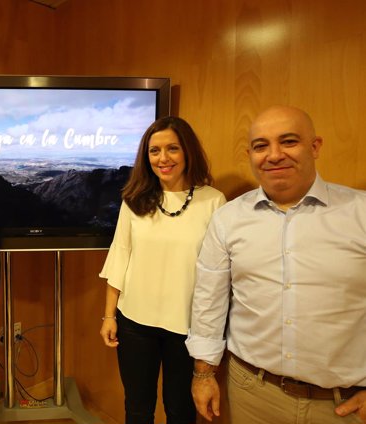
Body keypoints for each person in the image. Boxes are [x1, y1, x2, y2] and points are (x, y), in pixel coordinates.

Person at [186, 105, 366, 424]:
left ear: (315, 146)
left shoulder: (359, 213)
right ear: (250, 154)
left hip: (343, 405)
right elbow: (208, 300)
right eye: (261, 146)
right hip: (253, 395)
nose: (274, 155)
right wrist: (203, 374)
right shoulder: (228, 219)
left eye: (289, 141)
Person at [99, 116, 225, 424]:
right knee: (138, 409)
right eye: (154, 151)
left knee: (180, 411)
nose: (163, 158)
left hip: (187, 328)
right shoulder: (134, 200)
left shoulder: (214, 202)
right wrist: (108, 316)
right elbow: (120, 256)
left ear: (187, 152)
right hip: (135, 324)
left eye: (172, 149)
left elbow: (220, 275)